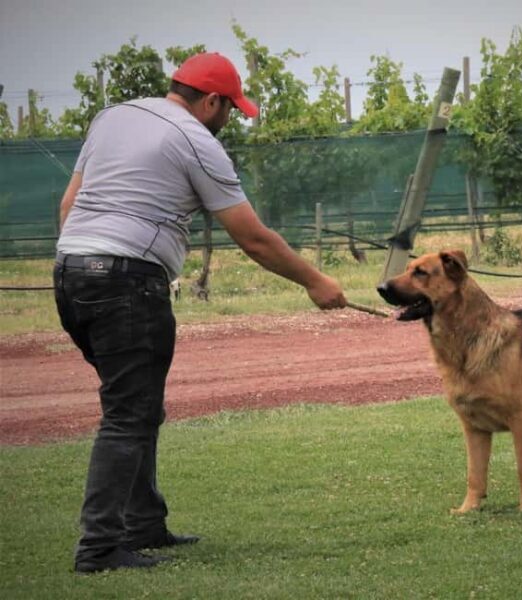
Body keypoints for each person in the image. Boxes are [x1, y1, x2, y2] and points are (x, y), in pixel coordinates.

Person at [54, 52, 347, 574]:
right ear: (209, 101)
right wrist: (315, 280)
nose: (230, 117)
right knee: (128, 414)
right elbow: (252, 238)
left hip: (72, 275)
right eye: (230, 107)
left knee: (136, 403)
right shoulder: (197, 141)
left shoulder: (113, 116)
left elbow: (69, 205)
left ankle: (144, 524)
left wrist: (84, 263)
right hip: (127, 282)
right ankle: (98, 549)